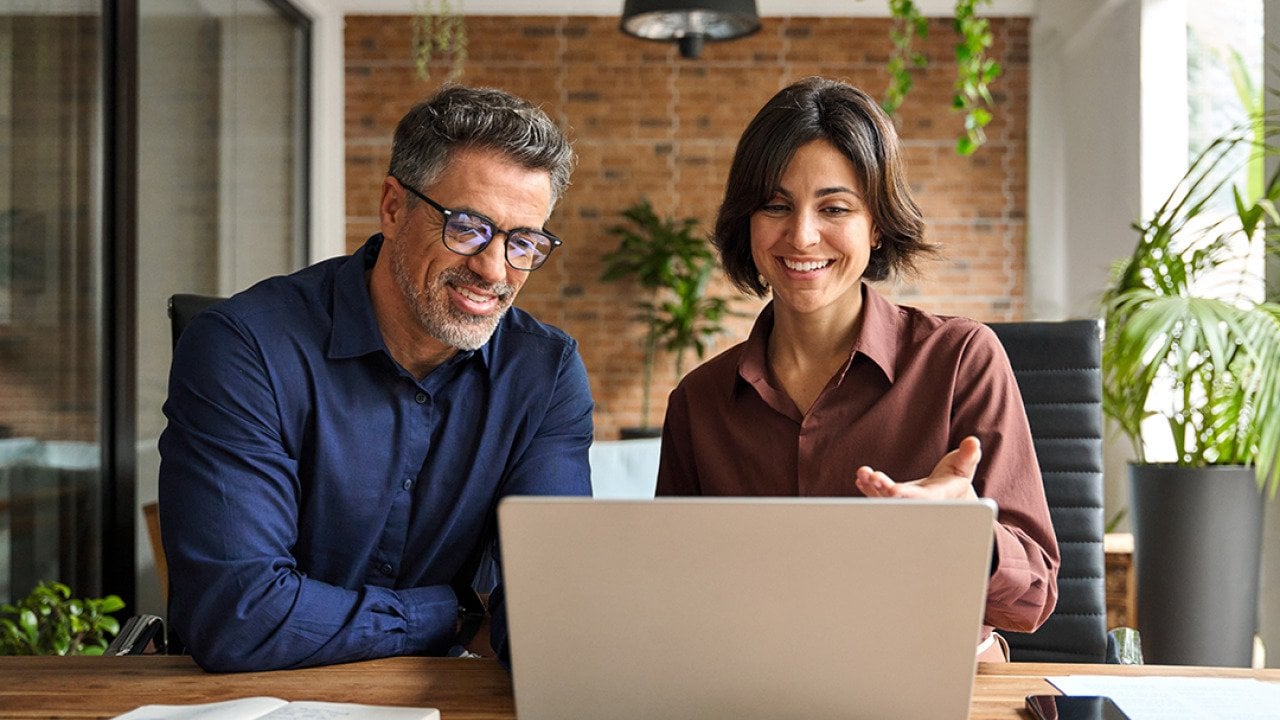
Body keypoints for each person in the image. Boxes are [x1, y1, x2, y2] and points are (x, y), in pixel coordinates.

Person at [158, 85, 593, 672]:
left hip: (437, 701)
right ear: (393, 208)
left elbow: (553, 613)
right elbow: (239, 617)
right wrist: (452, 614)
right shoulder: (244, 348)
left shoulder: (544, 373)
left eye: (524, 243)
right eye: (468, 227)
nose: (495, 269)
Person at [655, 77, 1058, 662]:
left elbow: (1034, 598)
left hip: (931, 678)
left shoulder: (962, 359)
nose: (801, 235)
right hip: (756, 683)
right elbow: (673, 596)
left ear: (877, 224)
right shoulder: (699, 401)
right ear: (747, 221)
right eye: (775, 205)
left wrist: (965, 535)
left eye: (834, 207)